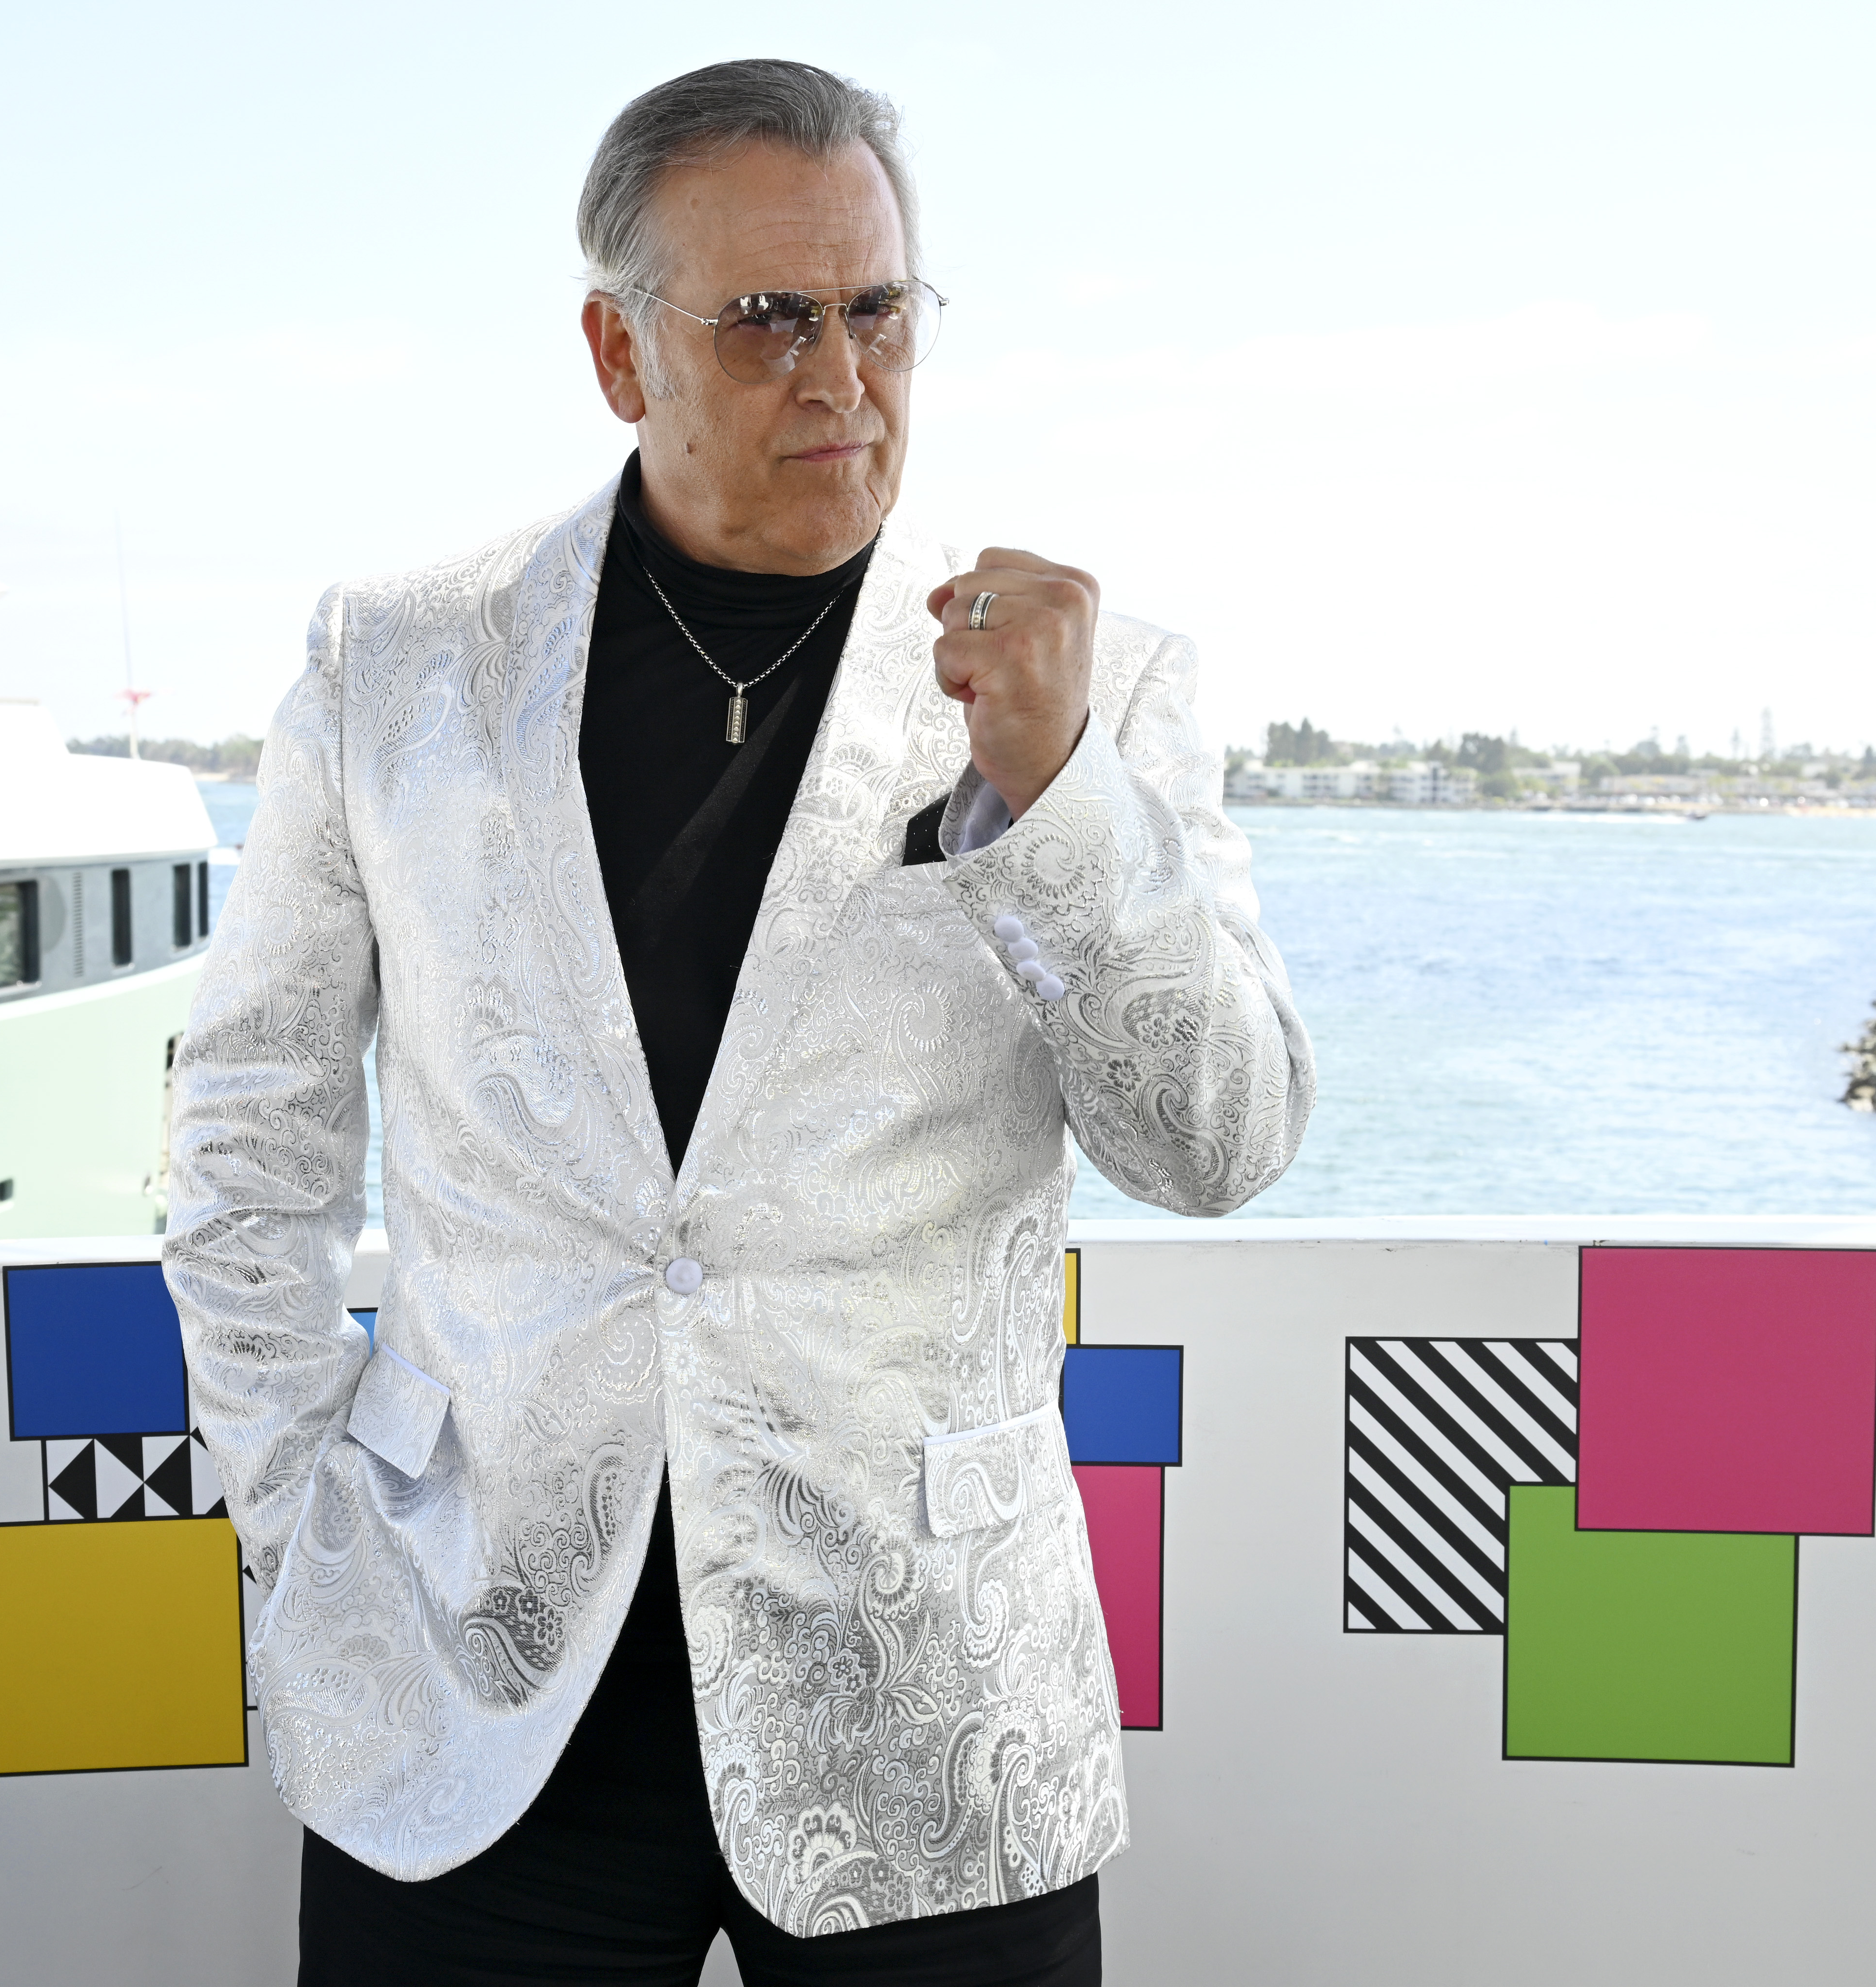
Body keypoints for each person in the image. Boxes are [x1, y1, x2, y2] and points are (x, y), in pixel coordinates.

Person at [164, 57, 1314, 1987]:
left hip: (931, 1685)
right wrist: (292, 1518)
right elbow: (253, 1120)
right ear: (619, 351)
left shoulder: (1085, 684)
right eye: (769, 317)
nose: (840, 376)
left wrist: (1057, 805)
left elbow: (1219, 1143)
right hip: (472, 1677)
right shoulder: (398, 658)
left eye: (877, 311)